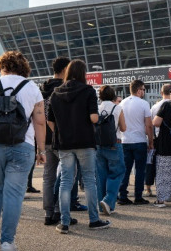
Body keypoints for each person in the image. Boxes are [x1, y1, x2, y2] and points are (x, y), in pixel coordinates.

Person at [0, 51, 46, 251]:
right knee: (14, 194)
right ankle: (7, 243)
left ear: (2, 66)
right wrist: (41, 150)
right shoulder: (32, 87)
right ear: (23, 67)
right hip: (22, 145)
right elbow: (40, 121)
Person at [48, 60, 111, 233]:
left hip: (64, 143)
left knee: (65, 182)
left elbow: (50, 121)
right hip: (85, 141)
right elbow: (94, 118)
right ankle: (94, 220)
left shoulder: (56, 93)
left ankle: (64, 222)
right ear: (83, 73)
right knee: (90, 180)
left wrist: (60, 132)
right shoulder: (88, 91)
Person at [40, 56, 79, 226]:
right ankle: (61, 212)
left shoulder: (42, 89)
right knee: (67, 176)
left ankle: (49, 214)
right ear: (64, 70)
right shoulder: (64, 89)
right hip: (61, 138)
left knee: (48, 176)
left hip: (44, 138)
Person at [118, 79, 153, 206]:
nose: (144, 92)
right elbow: (148, 125)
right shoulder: (144, 104)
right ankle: (138, 196)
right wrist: (151, 141)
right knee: (140, 170)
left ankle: (123, 196)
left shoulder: (122, 103)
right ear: (138, 90)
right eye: (143, 89)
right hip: (139, 140)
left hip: (125, 140)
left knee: (125, 170)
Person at [95, 85, 126, 215]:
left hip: (98, 145)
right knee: (117, 172)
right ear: (113, 95)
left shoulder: (96, 108)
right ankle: (108, 201)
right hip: (114, 144)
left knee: (101, 175)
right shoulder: (117, 108)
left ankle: (103, 204)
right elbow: (123, 128)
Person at [145, 84, 171, 197]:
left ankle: (148, 188)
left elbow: (150, 124)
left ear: (161, 93)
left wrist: (150, 140)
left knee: (151, 163)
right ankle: (167, 190)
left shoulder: (155, 107)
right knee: (167, 165)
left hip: (157, 138)